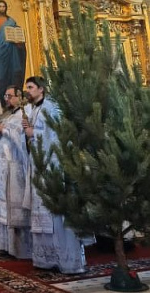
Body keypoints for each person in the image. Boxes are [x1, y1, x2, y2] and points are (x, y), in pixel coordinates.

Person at [22, 76, 90, 273]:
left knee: (57, 215)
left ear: (41, 89)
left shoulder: (52, 107)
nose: (27, 90)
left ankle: (67, 260)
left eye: (31, 87)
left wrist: (33, 133)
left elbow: (59, 135)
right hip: (39, 165)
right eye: (27, 87)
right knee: (43, 211)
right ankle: (48, 259)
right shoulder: (34, 109)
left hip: (54, 166)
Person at [0, 85, 31, 259]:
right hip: (3, 168)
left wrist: (4, 130)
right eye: (5, 96)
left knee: (14, 206)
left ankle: (19, 249)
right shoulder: (9, 116)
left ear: (19, 97)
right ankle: (6, 246)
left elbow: (24, 138)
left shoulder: (25, 113)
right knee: (4, 207)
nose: (6, 99)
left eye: (9, 96)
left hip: (15, 166)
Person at [0, 0, 26, 105]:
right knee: (0, 75)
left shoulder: (11, 21)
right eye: (0, 6)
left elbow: (18, 37)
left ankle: (14, 99)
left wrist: (18, 39)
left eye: (3, 6)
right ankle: (2, 100)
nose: (2, 8)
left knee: (13, 74)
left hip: (11, 51)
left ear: (6, 7)